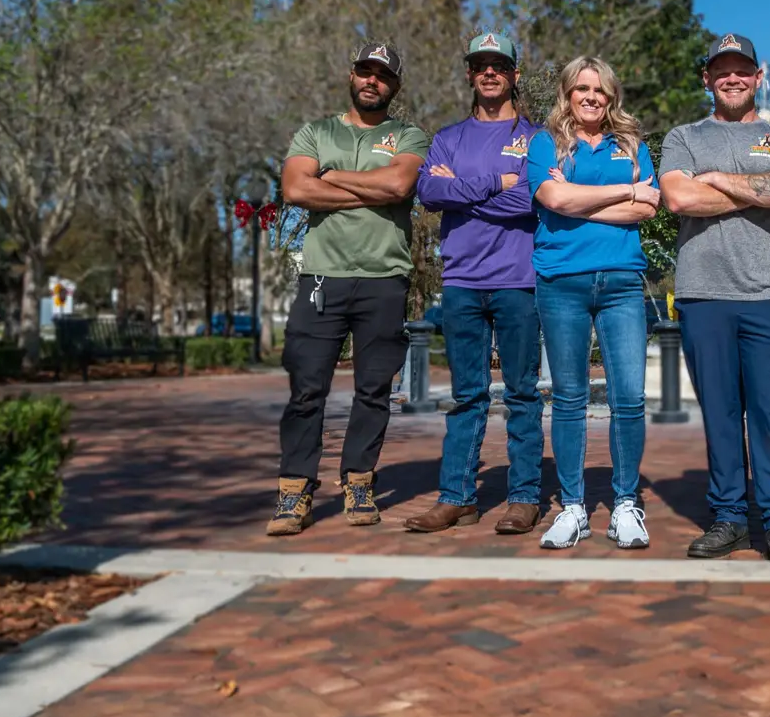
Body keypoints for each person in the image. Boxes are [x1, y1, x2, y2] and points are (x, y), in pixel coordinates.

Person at [659, 32, 770, 569]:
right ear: (707, 78)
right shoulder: (682, 136)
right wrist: (754, 187)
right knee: (720, 414)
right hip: (703, 294)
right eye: (721, 70)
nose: (732, 78)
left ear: (757, 77)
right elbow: (678, 197)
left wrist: (717, 180)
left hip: (767, 293)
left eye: (741, 70)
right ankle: (728, 517)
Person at [270, 40, 430, 534]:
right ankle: (294, 493)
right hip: (322, 276)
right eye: (365, 71)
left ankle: (359, 482)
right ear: (351, 75)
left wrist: (333, 178)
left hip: (384, 278)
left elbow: (398, 188)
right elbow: (296, 189)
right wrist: (365, 187)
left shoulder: (409, 135)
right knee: (306, 388)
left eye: (382, 75)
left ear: (395, 85)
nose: (371, 81)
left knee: (373, 389)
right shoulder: (316, 132)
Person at [405, 31, 543, 536]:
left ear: (514, 75)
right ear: (469, 74)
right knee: (467, 395)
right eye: (481, 64)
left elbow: (531, 200)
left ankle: (524, 496)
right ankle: (457, 496)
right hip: (461, 281)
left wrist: (463, 190)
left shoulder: (536, 139)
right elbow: (429, 192)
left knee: (524, 394)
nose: (490, 72)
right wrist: (495, 183)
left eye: (499, 65)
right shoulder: (447, 137)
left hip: (518, 281)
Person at [525, 56, 660, 550]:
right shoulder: (545, 143)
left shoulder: (633, 146)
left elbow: (648, 208)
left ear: (611, 97)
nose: (591, 97)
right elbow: (554, 202)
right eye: (582, 88)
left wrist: (580, 195)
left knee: (629, 398)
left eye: (600, 90)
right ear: (567, 93)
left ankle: (626, 504)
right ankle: (574, 508)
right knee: (568, 398)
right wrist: (623, 191)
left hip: (623, 283)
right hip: (561, 282)